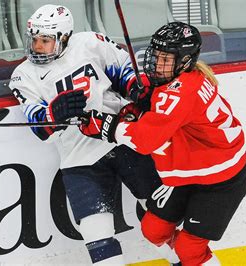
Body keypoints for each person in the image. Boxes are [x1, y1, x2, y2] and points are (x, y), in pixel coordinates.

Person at [79, 21, 246, 265]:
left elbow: (145, 140)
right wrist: (140, 105)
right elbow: (166, 117)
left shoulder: (182, 91)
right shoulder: (177, 81)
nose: (158, 64)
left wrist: (106, 126)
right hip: (190, 170)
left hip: (221, 179)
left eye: (166, 59)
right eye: (156, 56)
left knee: (189, 249)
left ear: (184, 61)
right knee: (153, 229)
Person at [8, 4, 162, 265]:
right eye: (34, 40)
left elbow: (125, 69)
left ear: (64, 37)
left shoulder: (90, 43)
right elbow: (37, 125)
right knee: (96, 233)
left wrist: (135, 89)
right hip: (79, 157)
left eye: (45, 40)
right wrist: (53, 114)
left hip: (121, 138)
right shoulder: (22, 76)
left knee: (161, 216)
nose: (37, 46)